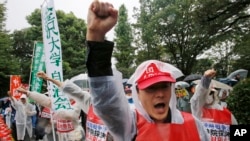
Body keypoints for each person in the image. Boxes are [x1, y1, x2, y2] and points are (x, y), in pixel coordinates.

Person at [84, 1, 210, 140]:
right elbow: (105, 101)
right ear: (137, 93)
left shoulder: (195, 125)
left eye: (164, 86)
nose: (160, 94)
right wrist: (96, 35)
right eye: (151, 88)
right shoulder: (130, 126)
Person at [36, 71, 114, 141]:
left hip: (77, 134)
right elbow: (73, 90)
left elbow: (71, 115)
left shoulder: (117, 109)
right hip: (67, 135)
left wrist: (57, 112)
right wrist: (49, 79)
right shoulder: (89, 101)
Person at [17, 86, 85, 141]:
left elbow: (70, 115)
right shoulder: (60, 102)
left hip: (75, 135)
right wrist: (28, 93)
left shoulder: (76, 103)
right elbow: (44, 99)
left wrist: (56, 112)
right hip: (61, 135)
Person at [190, 69, 238, 141]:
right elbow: (199, 96)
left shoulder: (225, 111)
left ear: (215, 93)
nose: (209, 95)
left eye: (211, 93)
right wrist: (206, 79)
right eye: (207, 93)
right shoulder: (197, 109)